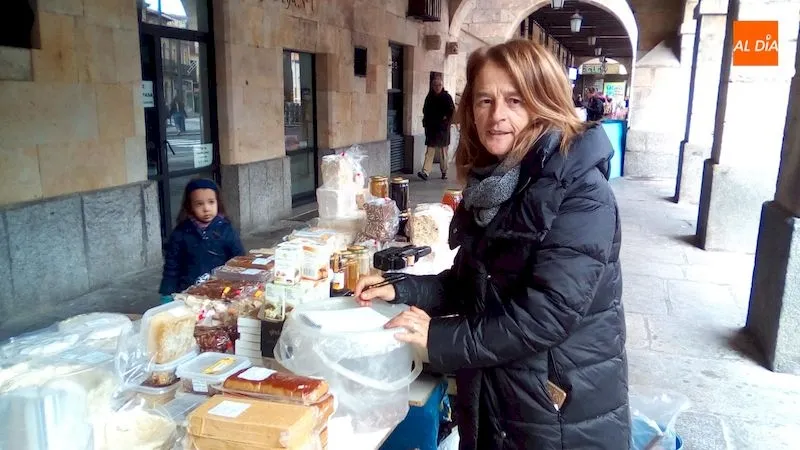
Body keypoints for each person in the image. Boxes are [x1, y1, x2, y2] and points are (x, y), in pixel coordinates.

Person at [355, 39, 628, 450]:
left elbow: (547, 315)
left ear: (544, 101)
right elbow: (473, 283)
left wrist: (439, 338)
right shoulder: (498, 184)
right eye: (484, 100)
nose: (496, 115)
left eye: (514, 100)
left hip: (556, 413)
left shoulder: (582, 192)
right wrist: (404, 288)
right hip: (500, 399)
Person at [159, 179, 245, 302]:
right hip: (189, 294)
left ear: (218, 203)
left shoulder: (226, 230)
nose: (206, 208)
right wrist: (167, 292)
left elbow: (239, 260)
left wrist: (240, 286)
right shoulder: (181, 233)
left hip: (221, 292)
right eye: (199, 204)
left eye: (211, 202)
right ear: (190, 206)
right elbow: (172, 266)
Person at [419, 76, 455, 181]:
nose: (437, 87)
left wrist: (446, 119)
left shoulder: (446, 97)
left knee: (443, 152)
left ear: (442, 86)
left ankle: (444, 171)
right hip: (431, 129)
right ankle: (425, 172)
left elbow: (451, 111)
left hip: (443, 129)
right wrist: (426, 123)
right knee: (430, 151)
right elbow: (425, 110)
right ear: (432, 86)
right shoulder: (429, 97)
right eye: (435, 85)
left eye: (439, 85)